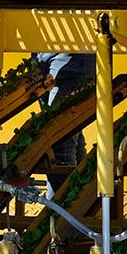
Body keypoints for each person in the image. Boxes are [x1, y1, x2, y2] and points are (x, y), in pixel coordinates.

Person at [37, 52, 95, 195]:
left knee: (60, 144)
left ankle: (60, 213)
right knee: (69, 137)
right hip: (43, 52)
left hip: (71, 53)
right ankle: (83, 207)